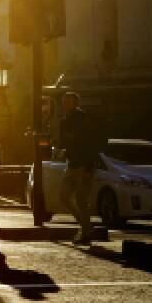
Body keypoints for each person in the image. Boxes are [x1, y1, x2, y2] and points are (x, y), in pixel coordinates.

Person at [59, 91, 96, 244]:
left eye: (69, 101)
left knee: (81, 199)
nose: (65, 104)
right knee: (64, 197)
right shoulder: (64, 121)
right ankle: (86, 227)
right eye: (64, 101)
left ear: (76, 103)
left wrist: (88, 167)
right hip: (72, 164)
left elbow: (90, 144)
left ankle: (86, 232)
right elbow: (66, 142)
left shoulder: (83, 119)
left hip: (83, 165)